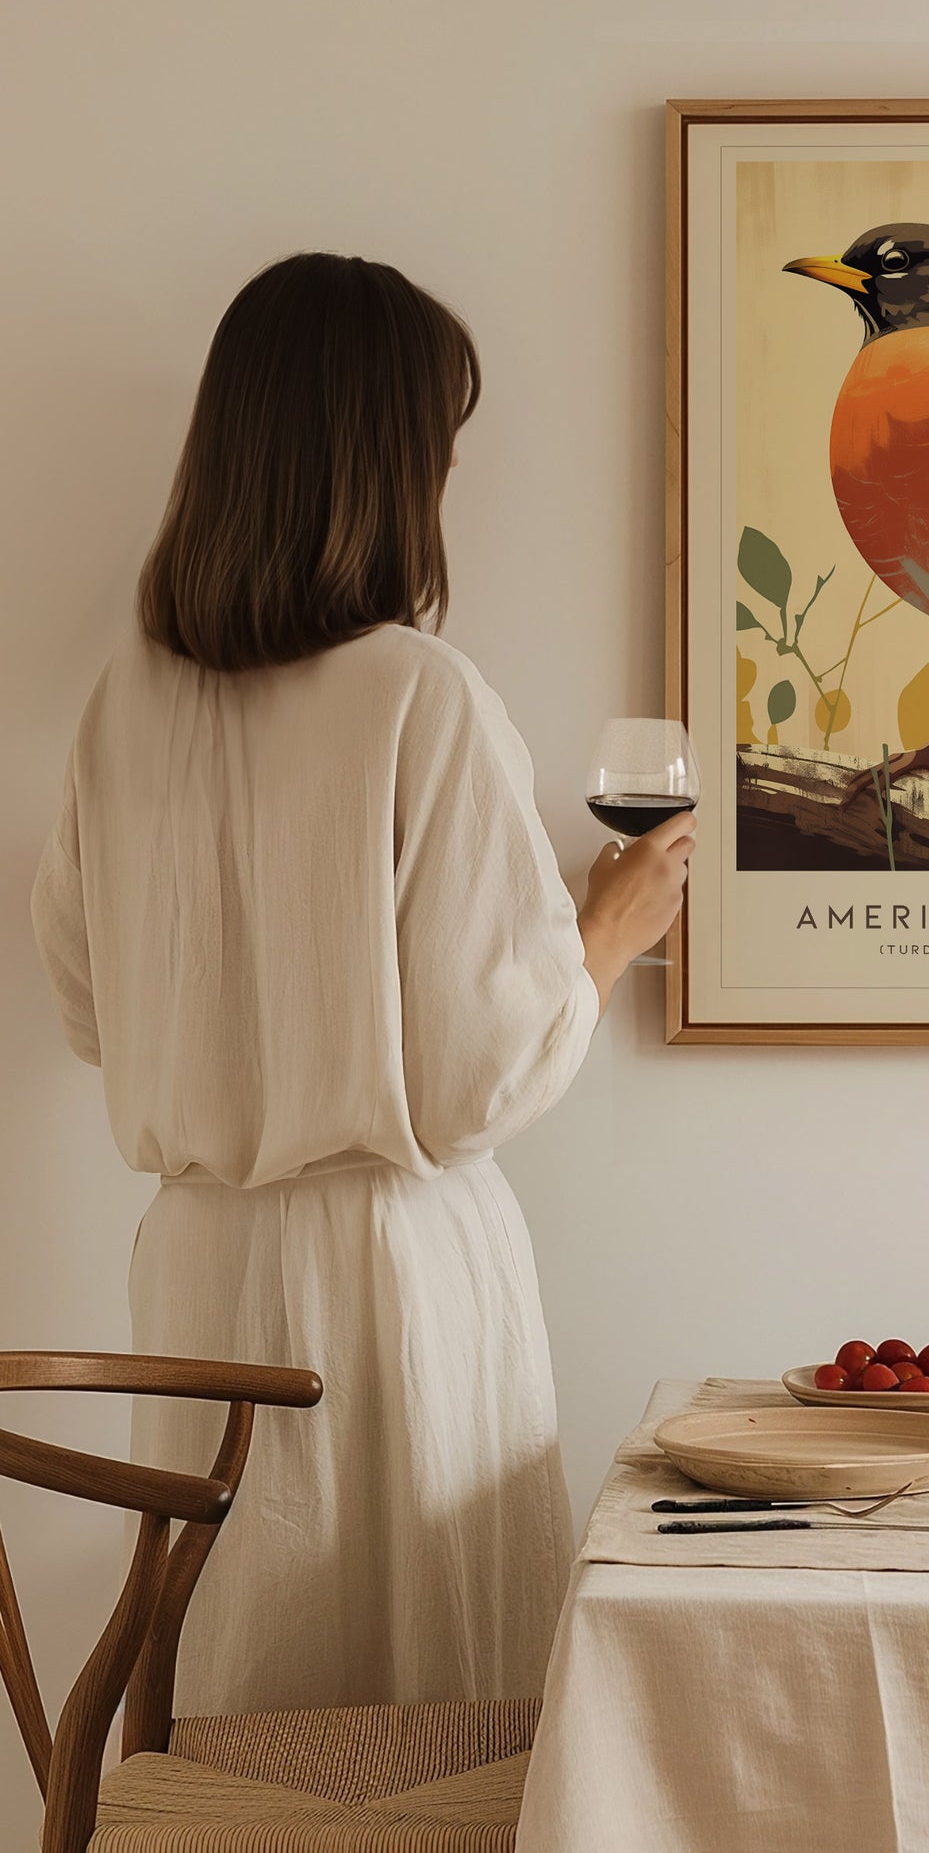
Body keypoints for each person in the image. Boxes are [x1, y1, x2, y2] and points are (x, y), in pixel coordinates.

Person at [29, 252, 690, 1713]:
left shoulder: (125, 704)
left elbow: (87, 1006)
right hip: (391, 1278)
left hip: (197, 1270)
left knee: (238, 1693)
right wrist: (605, 929)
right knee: (426, 1714)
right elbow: (474, 1082)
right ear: (388, 461)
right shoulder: (418, 693)